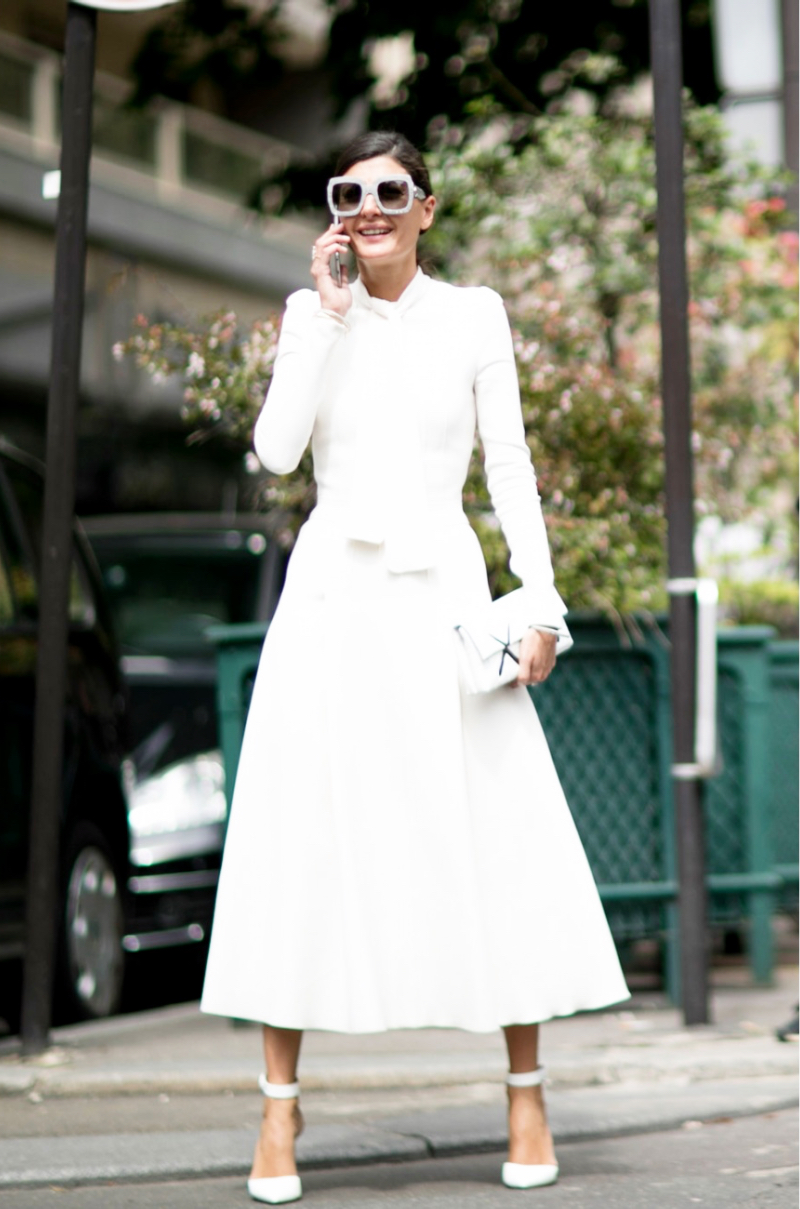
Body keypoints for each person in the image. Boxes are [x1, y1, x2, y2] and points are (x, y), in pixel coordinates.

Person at [201, 131, 629, 1205]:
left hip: (444, 591)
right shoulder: (311, 315)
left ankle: (526, 1095)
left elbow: (510, 466)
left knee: (495, 826)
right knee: (303, 834)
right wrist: (325, 317)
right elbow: (276, 453)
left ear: (426, 208)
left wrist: (540, 602)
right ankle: (278, 1111)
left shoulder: (474, 314)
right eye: (349, 192)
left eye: (392, 191)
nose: (370, 208)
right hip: (332, 597)